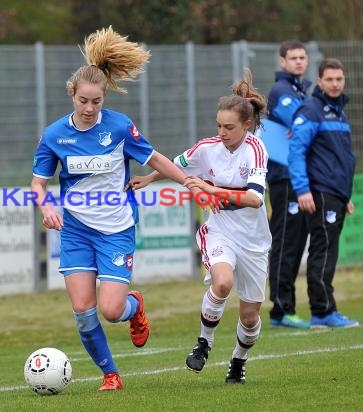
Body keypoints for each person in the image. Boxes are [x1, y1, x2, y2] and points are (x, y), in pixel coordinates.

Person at [30, 26, 191, 391]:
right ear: (72, 94)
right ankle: (110, 374)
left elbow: (155, 158)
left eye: (96, 102)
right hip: (74, 231)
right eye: (83, 101)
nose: (89, 109)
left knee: (111, 310)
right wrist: (46, 207)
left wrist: (187, 181)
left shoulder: (119, 128)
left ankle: (135, 306)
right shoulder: (54, 135)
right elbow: (38, 183)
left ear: (105, 98)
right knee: (85, 313)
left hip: (116, 228)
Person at [130, 69, 271, 384]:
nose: (222, 132)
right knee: (221, 283)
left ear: (247, 126)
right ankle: (204, 342)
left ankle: (238, 361)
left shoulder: (256, 151)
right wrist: (149, 177)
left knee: (249, 317)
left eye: (229, 127)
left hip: (254, 241)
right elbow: (175, 164)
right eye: (219, 125)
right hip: (220, 230)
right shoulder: (207, 147)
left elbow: (254, 199)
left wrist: (212, 191)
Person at [288, 58, 358, 328]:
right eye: (329, 79)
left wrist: (345, 196)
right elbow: (296, 151)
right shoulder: (312, 109)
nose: (335, 84)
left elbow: (340, 158)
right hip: (319, 192)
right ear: (319, 81)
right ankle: (322, 311)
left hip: (336, 194)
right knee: (323, 252)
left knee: (328, 251)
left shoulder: (338, 112)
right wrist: (302, 189)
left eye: (339, 79)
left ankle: (324, 309)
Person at [266, 41, 312, 329]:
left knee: (296, 244)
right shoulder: (281, 91)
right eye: (293, 58)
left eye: (302, 57)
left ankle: (286, 307)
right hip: (283, 176)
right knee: (284, 242)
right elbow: (303, 120)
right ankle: (281, 310)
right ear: (282, 61)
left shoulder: (299, 90)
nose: (298, 62)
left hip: (298, 176)